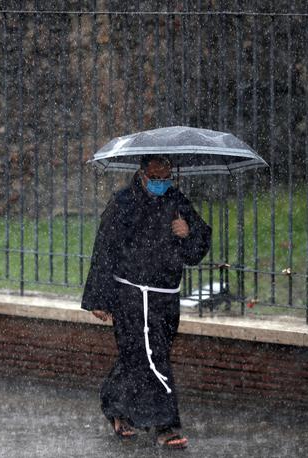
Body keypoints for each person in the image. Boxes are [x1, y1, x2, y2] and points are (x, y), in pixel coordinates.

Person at [81, 155, 211, 450]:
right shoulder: (123, 203)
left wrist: (188, 233)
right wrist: (99, 299)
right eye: (156, 176)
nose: (161, 182)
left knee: (140, 354)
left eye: (166, 176)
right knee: (152, 357)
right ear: (142, 174)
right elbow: (105, 250)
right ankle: (166, 425)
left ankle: (116, 407)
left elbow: (197, 247)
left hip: (166, 296)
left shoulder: (177, 202)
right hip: (133, 295)